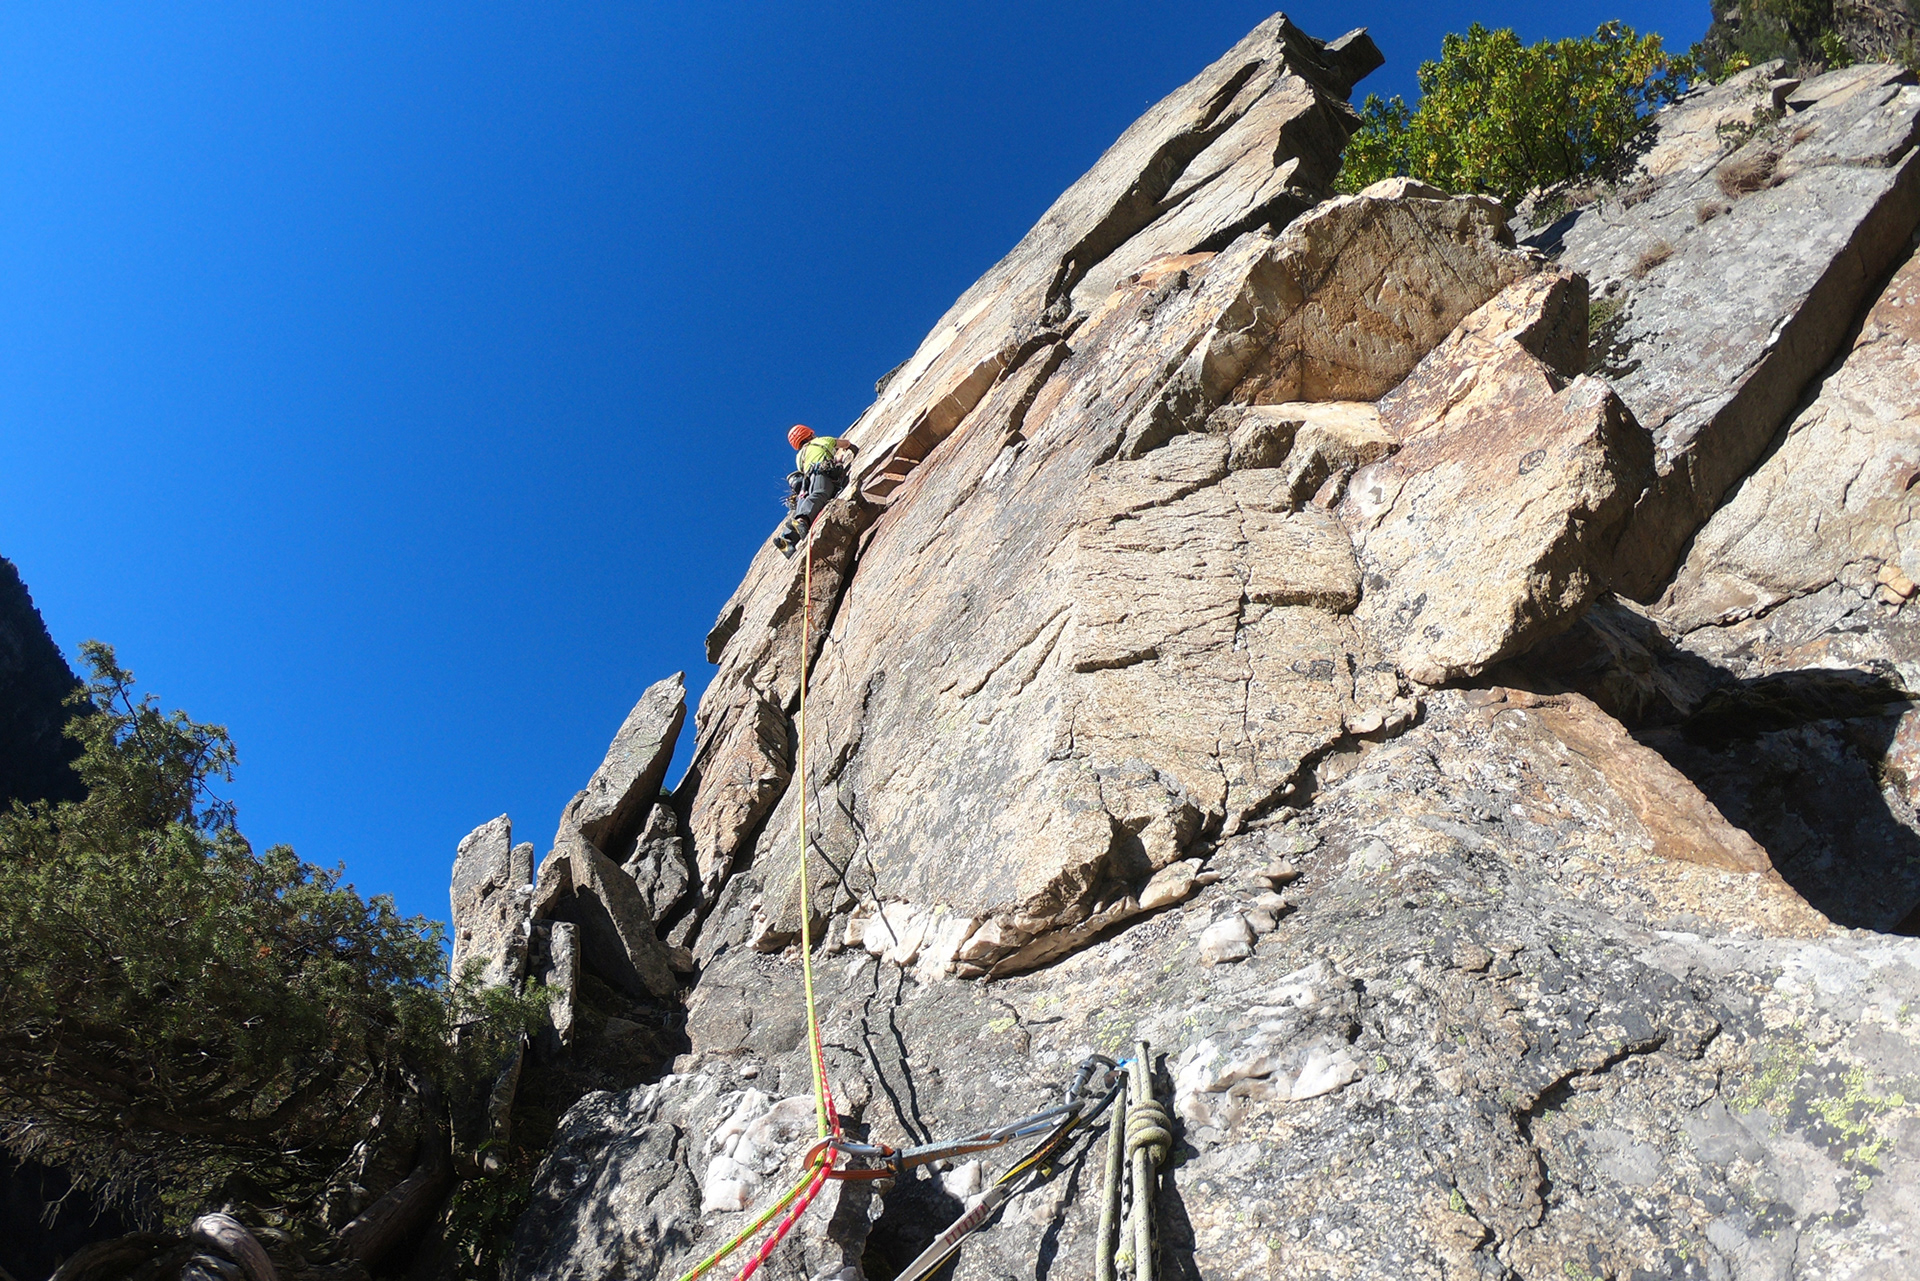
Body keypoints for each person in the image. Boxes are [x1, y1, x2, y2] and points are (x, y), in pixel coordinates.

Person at [774, 424, 859, 557]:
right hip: (820, 474)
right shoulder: (822, 440)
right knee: (820, 494)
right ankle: (802, 521)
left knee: (803, 504)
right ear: (810, 434)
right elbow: (846, 444)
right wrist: (852, 450)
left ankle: (787, 539)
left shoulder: (799, 456)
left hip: (804, 483)